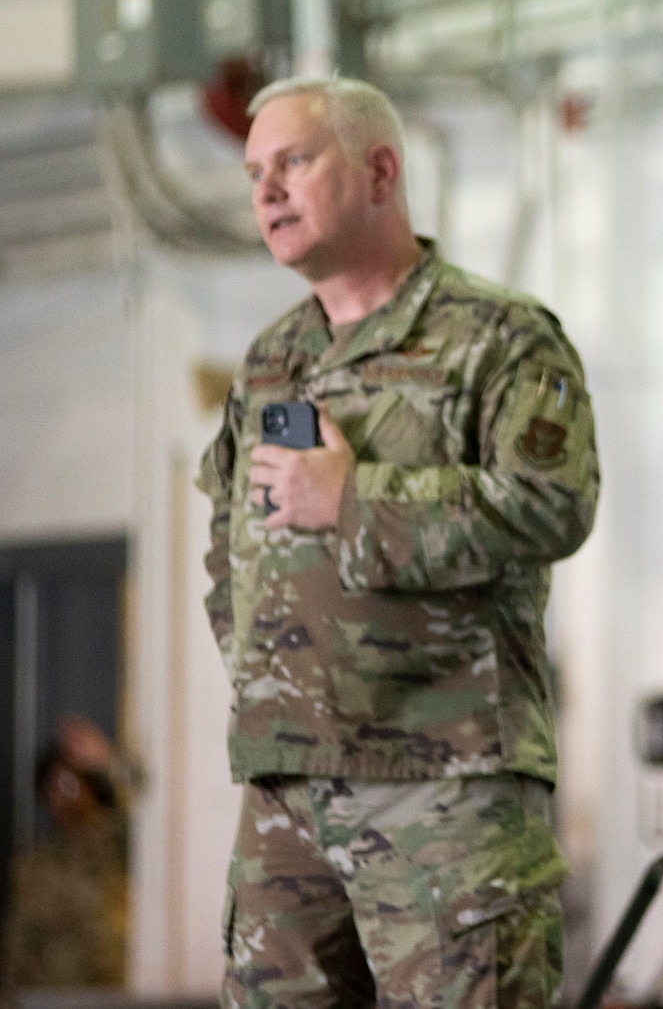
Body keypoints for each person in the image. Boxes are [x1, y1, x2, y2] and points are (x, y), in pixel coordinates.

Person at [196, 76, 598, 1008]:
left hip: (444, 785)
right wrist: (272, 673)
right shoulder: (269, 361)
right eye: (255, 170)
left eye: (293, 161)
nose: (266, 190)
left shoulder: (498, 338)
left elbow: (554, 503)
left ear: (382, 169)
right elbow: (228, 543)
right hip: (286, 791)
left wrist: (357, 499)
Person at [3, 715, 131, 990]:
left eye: (70, 783)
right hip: (49, 995)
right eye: (52, 786)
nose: (61, 796)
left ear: (90, 787)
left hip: (109, 993)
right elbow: (18, 943)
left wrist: (107, 763)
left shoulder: (114, 841)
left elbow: (155, 820)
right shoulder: (33, 865)